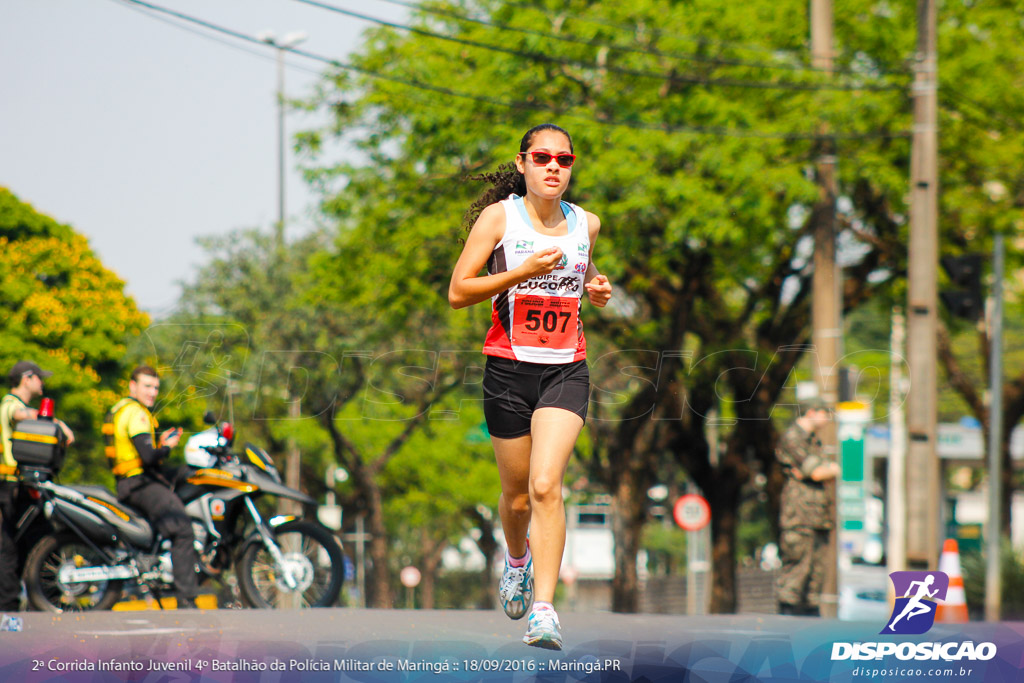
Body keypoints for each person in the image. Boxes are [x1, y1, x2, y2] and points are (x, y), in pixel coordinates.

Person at [449, 123, 613, 650]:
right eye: (542, 158)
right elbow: (458, 291)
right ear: (522, 164)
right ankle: (516, 561)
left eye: (564, 160)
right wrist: (518, 273)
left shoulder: (586, 223)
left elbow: (584, 274)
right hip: (507, 370)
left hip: (566, 368)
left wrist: (598, 287)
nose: (554, 168)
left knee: (547, 485)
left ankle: (545, 611)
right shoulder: (501, 218)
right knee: (517, 497)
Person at [105, 365, 197, 608]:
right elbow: (148, 457)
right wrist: (167, 448)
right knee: (182, 530)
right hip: (137, 484)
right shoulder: (138, 413)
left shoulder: (121, 409)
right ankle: (187, 600)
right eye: (147, 386)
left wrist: (161, 445)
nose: (153, 392)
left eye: (156, 387)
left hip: (130, 481)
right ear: (132, 386)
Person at [1, 361, 74, 611]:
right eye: (39, 378)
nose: (42, 383)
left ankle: (46, 600)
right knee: (8, 549)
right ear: (26, 378)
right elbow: (19, 415)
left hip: (20, 488)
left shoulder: (18, 404)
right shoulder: (11, 403)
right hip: (8, 488)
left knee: (40, 539)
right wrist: (54, 423)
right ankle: (8, 610)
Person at [775, 397, 840, 617]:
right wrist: (830, 469)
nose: (827, 418)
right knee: (797, 569)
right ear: (811, 412)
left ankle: (809, 616)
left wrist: (825, 470)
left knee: (816, 572)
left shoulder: (813, 441)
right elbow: (818, 472)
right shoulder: (794, 438)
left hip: (818, 515)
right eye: (824, 413)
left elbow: (820, 473)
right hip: (799, 515)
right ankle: (788, 616)